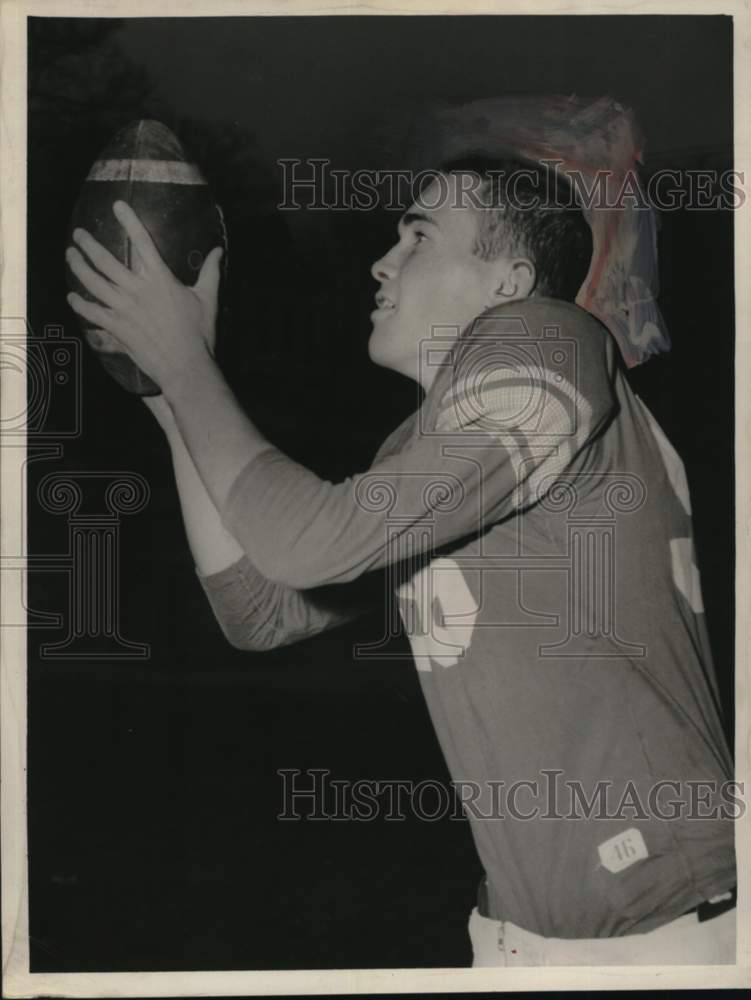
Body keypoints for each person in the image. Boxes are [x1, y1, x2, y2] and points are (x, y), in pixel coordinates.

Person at [65, 147, 736, 966]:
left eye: (419, 235)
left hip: (664, 931)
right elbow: (260, 608)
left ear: (509, 281)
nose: (383, 260)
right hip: (528, 935)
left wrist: (185, 361)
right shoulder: (425, 450)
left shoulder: (550, 334)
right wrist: (172, 402)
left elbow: (311, 539)